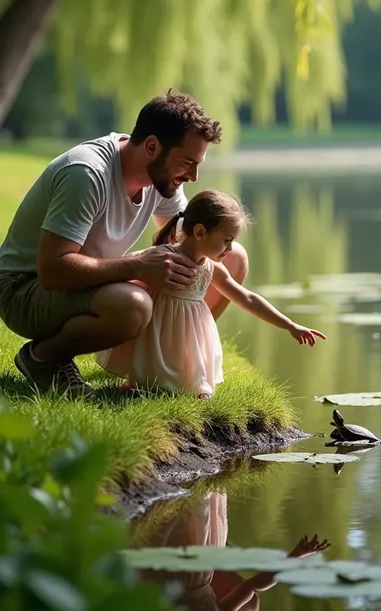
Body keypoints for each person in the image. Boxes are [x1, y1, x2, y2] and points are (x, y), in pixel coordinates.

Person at [0, 90, 248, 400]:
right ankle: (43, 358)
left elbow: (187, 241)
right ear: (152, 146)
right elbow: (52, 271)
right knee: (134, 306)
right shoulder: (87, 174)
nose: (194, 177)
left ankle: (177, 363)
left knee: (232, 258)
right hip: (24, 290)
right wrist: (139, 265)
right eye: (188, 162)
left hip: (81, 282)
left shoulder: (162, 177)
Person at [96, 190, 328, 398]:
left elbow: (246, 298)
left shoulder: (211, 268)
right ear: (199, 232)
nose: (229, 249)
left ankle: (195, 386)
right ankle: (141, 382)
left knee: (191, 383)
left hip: (189, 336)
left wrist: (290, 325)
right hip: (157, 334)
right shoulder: (161, 258)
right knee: (149, 382)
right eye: (226, 241)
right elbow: (123, 268)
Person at [134, 488, 331, 610]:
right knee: (185, 517)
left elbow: (253, 586)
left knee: (179, 520)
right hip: (186, 576)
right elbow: (253, 585)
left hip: (176, 578)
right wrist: (294, 557)